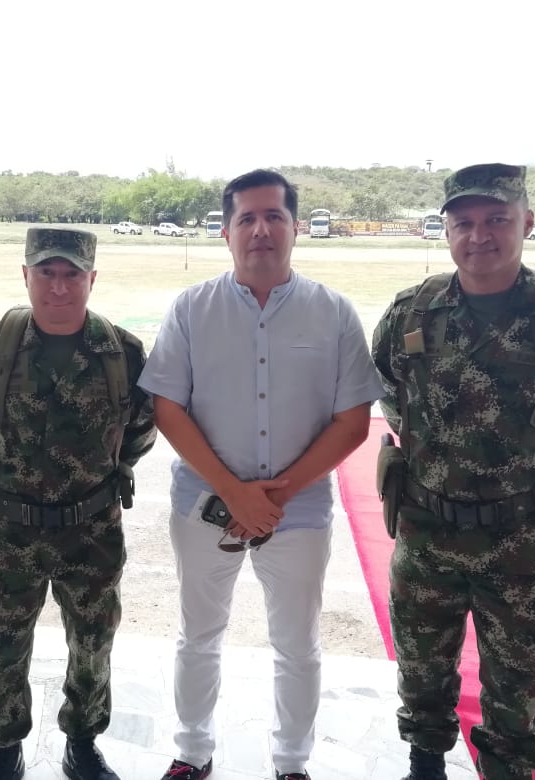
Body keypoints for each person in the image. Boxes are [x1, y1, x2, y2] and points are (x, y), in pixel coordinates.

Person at [371, 163, 535, 780]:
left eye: (497, 219)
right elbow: (390, 390)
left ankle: (506, 768)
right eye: (463, 222)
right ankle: (425, 761)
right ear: (446, 230)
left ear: (527, 222)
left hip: (520, 540)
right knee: (421, 666)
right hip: (427, 532)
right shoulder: (414, 311)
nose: (479, 235)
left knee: (516, 682)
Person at [139, 169, 384, 780]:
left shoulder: (333, 313)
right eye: (246, 218)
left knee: (297, 644)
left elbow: (353, 420)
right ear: (225, 232)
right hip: (204, 506)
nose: (260, 229)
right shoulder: (192, 309)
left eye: (273, 216)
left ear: (295, 227)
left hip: (296, 513)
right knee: (199, 634)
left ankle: (291, 763)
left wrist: (275, 496)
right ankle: (192, 752)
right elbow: (167, 407)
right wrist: (233, 492)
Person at [0, 227, 156, 780]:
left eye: (71, 274)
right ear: (26, 275)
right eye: (46, 273)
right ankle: (4, 747)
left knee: (93, 641)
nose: (58, 287)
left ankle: (82, 743)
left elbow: (139, 434)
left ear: (91, 278)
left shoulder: (124, 354)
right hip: (10, 531)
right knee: (1, 643)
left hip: (92, 529)